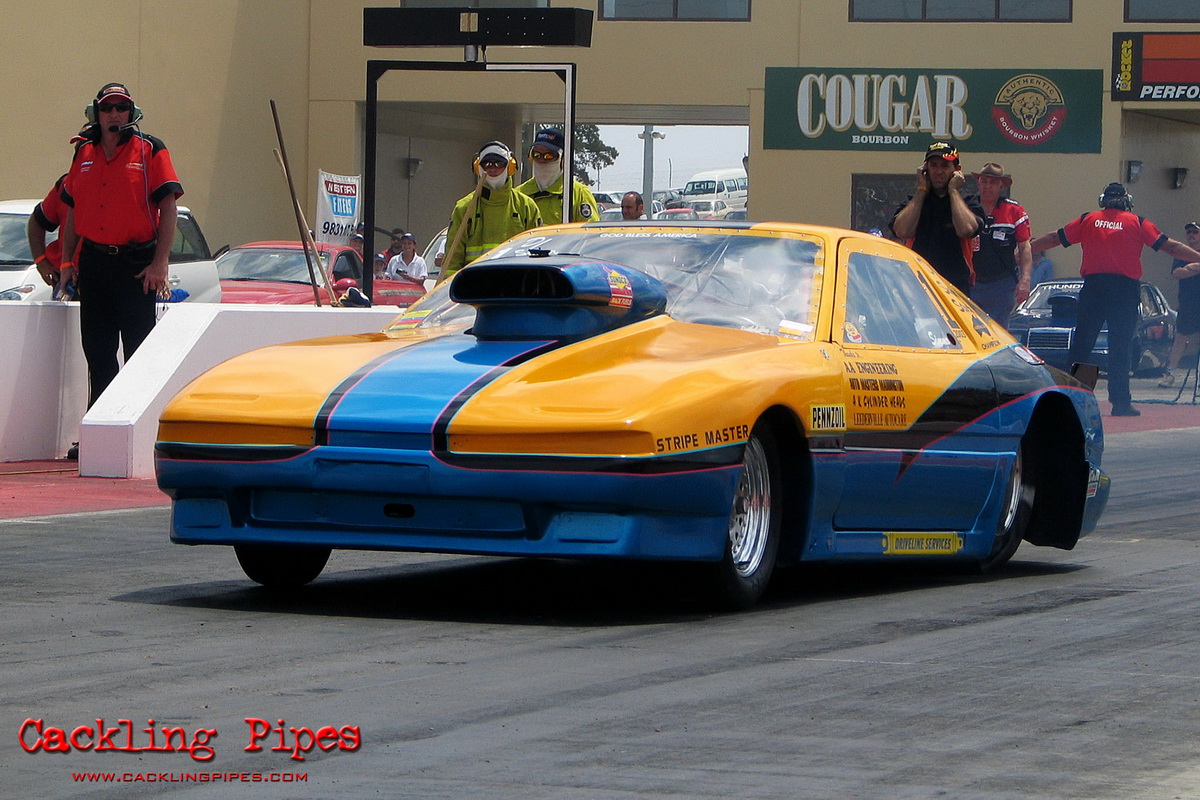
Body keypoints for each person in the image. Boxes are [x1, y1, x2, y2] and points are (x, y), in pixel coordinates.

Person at [58, 82, 183, 411]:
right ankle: (100, 426)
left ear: (132, 112)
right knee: (98, 354)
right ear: (95, 113)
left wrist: (160, 263)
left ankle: (135, 424)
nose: (114, 114)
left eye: (121, 107)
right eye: (107, 108)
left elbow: (169, 207)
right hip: (94, 263)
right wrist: (67, 262)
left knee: (138, 353)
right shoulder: (83, 151)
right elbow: (73, 210)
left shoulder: (150, 149)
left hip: (136, 265)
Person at [1029, 183, 1200, 416]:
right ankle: (1120, 402)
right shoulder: (1138, 222)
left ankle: (1078, 399)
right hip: (1124, 289)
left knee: (1084, 344)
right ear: (1127, 201)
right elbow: (1170, 246)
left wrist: (1026, 249)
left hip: (1094, 287)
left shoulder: (1088, 219)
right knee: (1120, 346)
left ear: (1103, 200)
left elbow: (1054, 238)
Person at [890, 142, 986, 295]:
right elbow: (902, 231)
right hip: (918, 285)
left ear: (957, 170)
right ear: (925, 169)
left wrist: (953, 191)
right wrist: (922, 189)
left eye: (945, 166)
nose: (938, 171)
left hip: (955, 288)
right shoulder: (914, 202)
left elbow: (966, 230)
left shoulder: (968, 202)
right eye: (933, 165)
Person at [442, 141, 542, 278]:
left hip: (516, 286)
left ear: (510, 166)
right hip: (475, 287)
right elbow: (452, 261)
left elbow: (537, 256)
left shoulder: (526, 207)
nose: (493, 169)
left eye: (499, 164)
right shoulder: (464, 208)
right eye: (487, 164)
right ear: (478, 167)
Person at [968, 162, 1032, 327]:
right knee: (970, 329)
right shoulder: (966, 207)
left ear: (1001, 186)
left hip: (1002, 284)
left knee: (998, 331)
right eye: (984, 181)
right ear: (978, 183)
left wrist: (1025, 280)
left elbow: (1025, 247)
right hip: (970, 282)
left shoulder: (1014, 211)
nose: (987, 186)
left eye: (993, 182)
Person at [516, 128, 597, 225]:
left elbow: (590, 232)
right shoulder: (518, 195)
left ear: (563, 160)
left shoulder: (579, 194)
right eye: (537, 155)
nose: (542, 160)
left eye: (549, 156)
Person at [1158, 221, 1200, 388]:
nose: (1191, 235)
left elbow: (1185, 271)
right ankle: (1170, 374)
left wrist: (1190, 268)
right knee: (1181, 337)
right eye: (1189, 232)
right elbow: (1177, 273)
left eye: (1195, 232)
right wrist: (1196, 267)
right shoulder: (1183, 254)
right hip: (1187, 303)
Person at [26, 174, 70, 293]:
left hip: (109, 273)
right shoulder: (67, 184)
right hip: (67, 278)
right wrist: (40, 260)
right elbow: (37, 221)